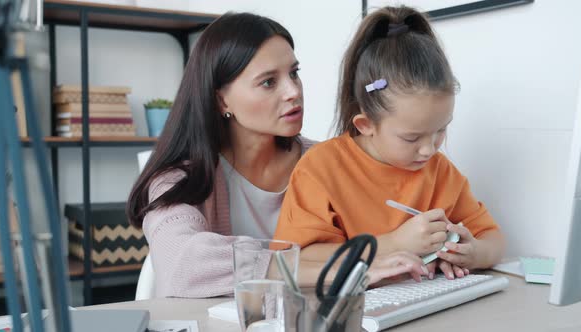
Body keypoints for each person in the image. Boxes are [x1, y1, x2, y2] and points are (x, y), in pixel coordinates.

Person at [126, 12, 425, 298]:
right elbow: (183, 263)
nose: (292, 91)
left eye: (294, 74)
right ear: (221, 100)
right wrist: (339, 270)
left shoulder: (329, 162)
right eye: (269, 82)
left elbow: (385, 242)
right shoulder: (178, 180)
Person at [274, 6, 506, 285]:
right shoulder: (321, 168)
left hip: (422, 303)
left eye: (440, 130)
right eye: (411, 138)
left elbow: (493, 240)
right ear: (365, 125)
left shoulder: (441, 172)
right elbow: (295, 260)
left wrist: (472, 253)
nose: (429, 149)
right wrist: (394, 242)